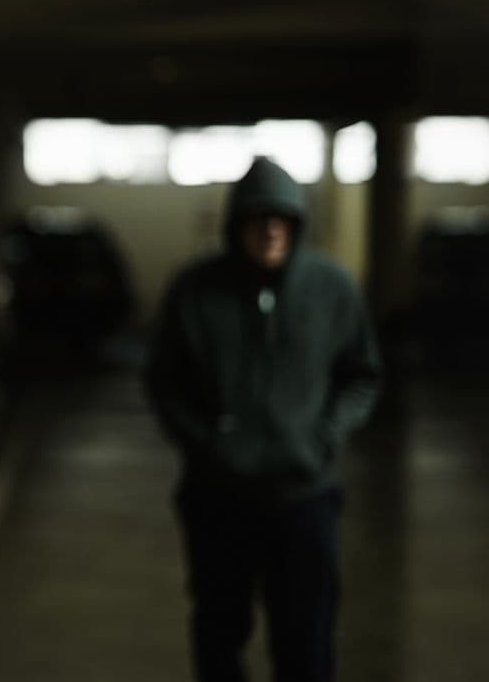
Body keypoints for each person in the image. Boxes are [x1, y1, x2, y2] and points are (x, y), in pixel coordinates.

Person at [144, 157, 381, 682]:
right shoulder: (194, 290)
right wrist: (205, 444)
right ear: (236, 225)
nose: (271, 229)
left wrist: (323, 437)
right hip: (217, 500)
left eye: (282, 219)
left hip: (304, 498)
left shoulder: (331, 289)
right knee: (218, 635)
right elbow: (163, 381)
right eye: (258, 219)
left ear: (296, 226)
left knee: (306, 640)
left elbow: (361, 376)